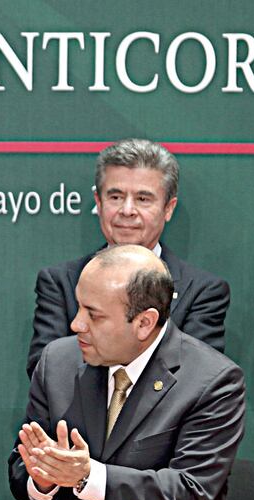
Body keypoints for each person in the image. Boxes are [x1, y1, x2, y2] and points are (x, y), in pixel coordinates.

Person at [11, 245, 244, 500]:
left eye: (94, 315)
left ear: (144, 322)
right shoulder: (56, 363)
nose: (76, 324)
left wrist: (87, 476)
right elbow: (21, 470)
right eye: (78, 307)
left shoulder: (213, 381)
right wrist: (42, 481)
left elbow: (188, 492)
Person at [27, 138, 229, 377]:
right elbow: (45, 370)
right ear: (99, 203)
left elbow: (197, 378)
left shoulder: (201, 291)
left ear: (168, 208)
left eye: (143, 199)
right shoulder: (60, 282)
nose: (127, 210)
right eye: (116, 197)